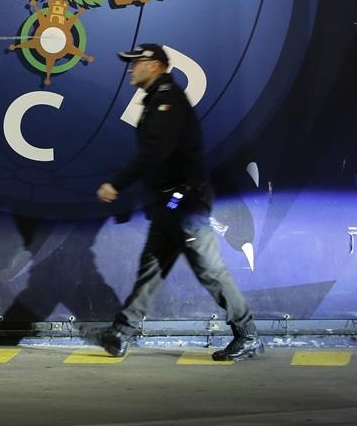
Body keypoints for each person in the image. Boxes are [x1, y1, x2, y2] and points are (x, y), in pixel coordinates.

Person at [92, 43, 264, 361]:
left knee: (209, 270)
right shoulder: (156, 99)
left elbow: (156, 153)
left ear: (155, 66)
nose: (131, 68)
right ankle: (121, 332)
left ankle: (247, 334)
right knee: (153, 265)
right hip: (170, 203)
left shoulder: (168, 100)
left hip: (184, 202)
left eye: (136, 63)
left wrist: (117, 184)